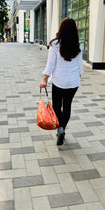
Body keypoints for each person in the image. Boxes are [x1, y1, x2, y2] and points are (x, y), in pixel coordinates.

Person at [39, 18, 83, 146]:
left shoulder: (55, 44)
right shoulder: (78, 45)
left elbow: (51, 64)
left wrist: (44, 80)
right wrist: (78, 76)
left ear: (61, 29)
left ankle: (60, 129)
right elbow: (80, 65)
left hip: (59, 81)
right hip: (73, 82)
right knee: (67, 106)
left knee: (57, 106)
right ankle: (62, 128)